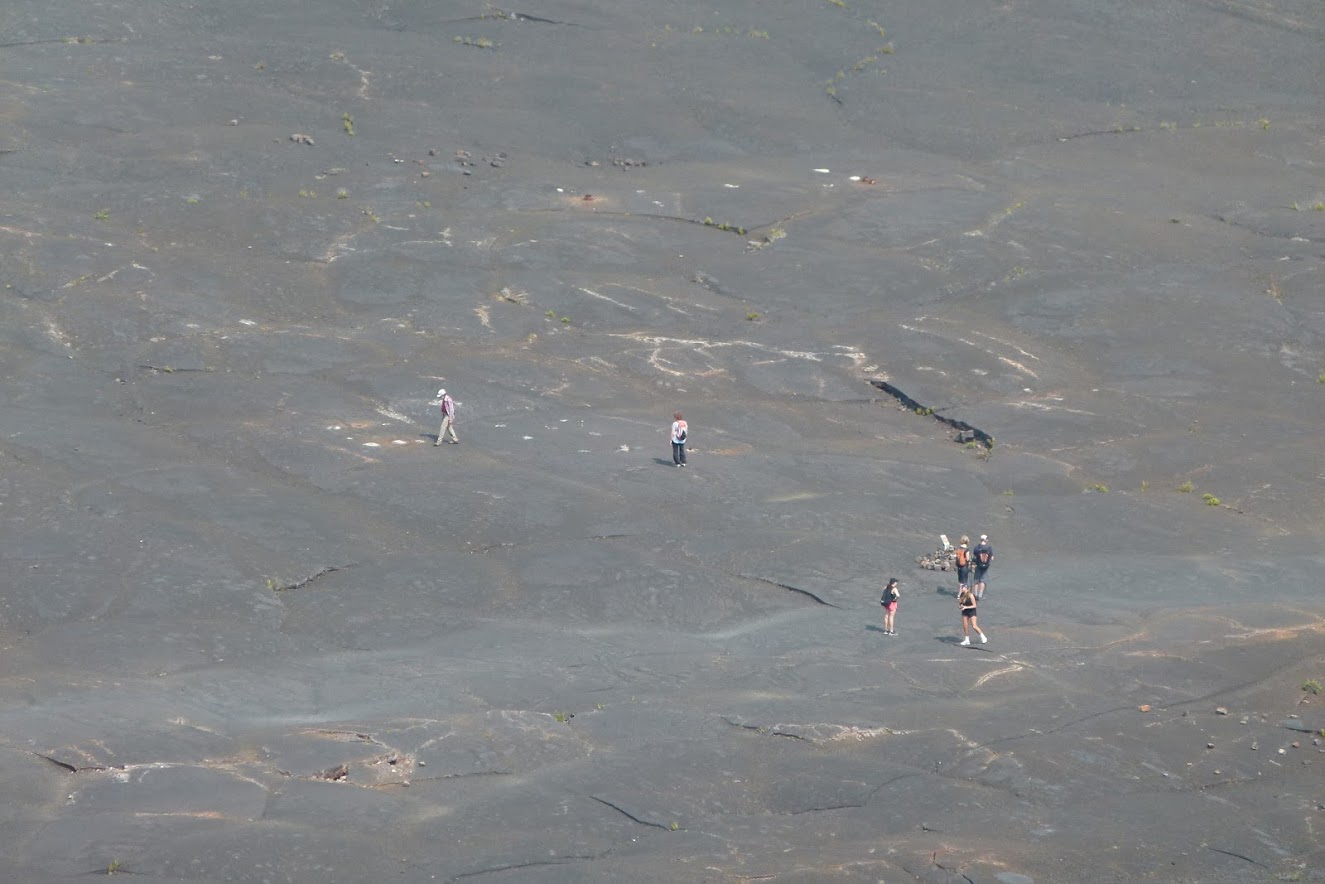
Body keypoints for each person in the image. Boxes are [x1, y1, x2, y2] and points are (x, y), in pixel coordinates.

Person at [972, 534, 993, 599]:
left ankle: (975, 594)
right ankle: (980, 595)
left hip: (978, 566)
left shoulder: (977, 547)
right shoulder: (989, 548)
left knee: (976, 580)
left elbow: (974, 556)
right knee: (983, 581)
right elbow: (992, 558)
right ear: (986, 540)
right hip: (985, 567)